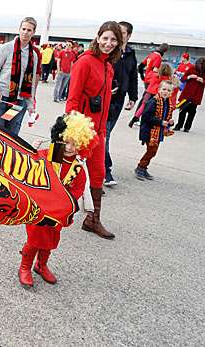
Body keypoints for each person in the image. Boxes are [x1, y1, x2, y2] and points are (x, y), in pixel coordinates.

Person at [19, 112, 95, 287]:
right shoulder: (47, 155)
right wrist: (31, 150)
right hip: (39, 209)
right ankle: (25, 267)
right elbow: (28, 169)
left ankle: (41, 265)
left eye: (75, 143)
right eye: (66, 141)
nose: (69, 147)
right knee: (34, 240)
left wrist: (67, 204)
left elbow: (78, 189)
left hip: (59, 213)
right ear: (58, 137)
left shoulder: (78, 168)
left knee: (51, 241)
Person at [65, 21, 122, 240]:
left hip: (98, 132)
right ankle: (53, 212)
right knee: (67, 173)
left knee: (98, 174)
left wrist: (103, 131)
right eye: (105, 38)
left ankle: (92, 219)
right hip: (80, 130)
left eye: (113, 40)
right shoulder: (85, 62)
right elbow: (72, 98)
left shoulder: (108, 66)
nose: (109, 43)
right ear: (98, 38)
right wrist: (71, 131)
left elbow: (104, 103)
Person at [0, 17, 41, 137]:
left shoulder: (34, 55)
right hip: (1, 99)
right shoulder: (6, 48)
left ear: (33, 32)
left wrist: (31, 106)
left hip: (18, 102)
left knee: (11, 135)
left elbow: (31, 83)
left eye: (29, 30)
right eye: (23, 29)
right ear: (19, 29)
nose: (25, 32)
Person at [103, 21, 138, 187]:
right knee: (105, 134)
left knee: (105, 134)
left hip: (119, 99)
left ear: (128, 36)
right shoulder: (110, 52)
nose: (117, 35)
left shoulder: (131, 54)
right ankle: (106, 170)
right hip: (104, 99)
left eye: (121, 32)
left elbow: (133, 76)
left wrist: (133, 97)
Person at [135, 80, 175, 180]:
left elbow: (166, 117)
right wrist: (160, 122)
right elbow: (146, 117)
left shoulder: (167, 103)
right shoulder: (153, 101)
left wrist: (170, 122)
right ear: (159, 89)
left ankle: (143, 167)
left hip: (158, 132)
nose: (166, 92)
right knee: (151, 151)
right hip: (150, 131)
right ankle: (140, 167)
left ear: (171, 92)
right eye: (164, 89)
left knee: (153, 151)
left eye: (169, 90)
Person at [174, 57, 205, 132]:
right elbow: (182, 79)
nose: (200, 67)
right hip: (186, 93)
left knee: (192, 112)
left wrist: (203, 80)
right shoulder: (192, 68)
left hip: (196, 95)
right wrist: (189, 76)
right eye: (199, 66)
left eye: (202, 66)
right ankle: (179, 125)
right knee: (182, 110)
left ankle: (187, 127)